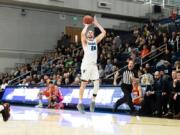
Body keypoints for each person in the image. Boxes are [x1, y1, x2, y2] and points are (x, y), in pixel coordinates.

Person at [77, 16, 106, 113]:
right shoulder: (85, 42)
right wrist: (86, 25)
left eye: (91, 32)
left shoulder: (95, 41)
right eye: (88, 32)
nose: (90, 32)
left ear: (93, 35)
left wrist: (97, 24)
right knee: (83, 85)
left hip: (94, 66)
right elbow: (82, 34)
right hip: (86, 65)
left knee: (97, 83)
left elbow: (104, 33)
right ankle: (80, 103)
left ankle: (93, 101)